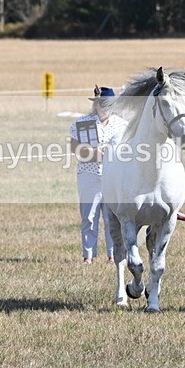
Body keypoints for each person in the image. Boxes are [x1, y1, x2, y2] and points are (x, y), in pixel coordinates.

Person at [69, 85, 128, 264]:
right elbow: (75, 148)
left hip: (113, 176)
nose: (104, 107)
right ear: (96, 104)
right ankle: (88, 255)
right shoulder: (82, 123)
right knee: (89, 215)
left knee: (112, 217)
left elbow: (128, 150)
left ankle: (112, 254)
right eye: (101, 104)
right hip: (89, 174)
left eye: (108, 104)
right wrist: (97, 153)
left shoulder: (122, 125)